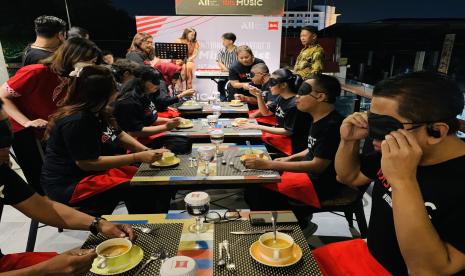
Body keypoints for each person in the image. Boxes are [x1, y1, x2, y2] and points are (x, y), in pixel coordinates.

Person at [313, 72, 465, 275]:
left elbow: (426, 271)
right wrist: (349, 140)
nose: (374, 133)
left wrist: (403, 181)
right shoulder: (394, 146)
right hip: (369, 255)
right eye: (372, 120)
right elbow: (348, 177)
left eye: (385, 126)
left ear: (436, 131)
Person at [0, 99, 136, 275]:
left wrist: (98, 224)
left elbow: (44, 208)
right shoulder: (77, 121)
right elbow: (87, 162)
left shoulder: (2, 172)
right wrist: (42, 271)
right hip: (67, 186)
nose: (6, 152)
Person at [41, 65, 172, 215]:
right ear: (101, 94)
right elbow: (87, 163)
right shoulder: (77, 121)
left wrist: (146, 151)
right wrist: (136, 156)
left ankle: (154, 220)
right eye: (114, 88)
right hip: (70, 184)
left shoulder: (97, 112)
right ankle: (145, 228)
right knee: (140, 187)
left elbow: (118, 134)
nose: (117, 91)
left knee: (150, 177)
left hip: (89, 173)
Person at [244, 75, 345, 228]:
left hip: (319, 183)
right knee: (254, 184)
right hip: (306, 174)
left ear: (321, 96)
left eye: (303, 92)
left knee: (258, 191)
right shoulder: (318, 118)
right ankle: (276, 225)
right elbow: (311, 148)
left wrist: (270, 165)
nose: (297, 96)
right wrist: (288, 159)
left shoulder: (333, 125)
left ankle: (294, 227)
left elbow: (318, 165)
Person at [114, 66, 192, 154]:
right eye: (154, 81)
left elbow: (152, 119)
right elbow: (135, 132)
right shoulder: (128, 102)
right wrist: (166, 127)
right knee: (181, 145)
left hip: (143, 138)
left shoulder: (144, 94)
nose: (158, 85)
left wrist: (172, 121)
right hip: (134, 143)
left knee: (185, 142)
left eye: (159, 81)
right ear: (142, 81)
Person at [240, 69, 311, 155]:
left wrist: (257, 126)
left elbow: (288, 131)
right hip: (281, 136)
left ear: (284, 85)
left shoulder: (294, 105)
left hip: (292, 144)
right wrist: (259, 96)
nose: (269, 86)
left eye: (272, 83)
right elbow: (266, 112)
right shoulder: (281, 97)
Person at [216, 32, 238, 101]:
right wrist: (226, 69)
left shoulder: (238, 50)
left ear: (231, 41)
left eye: (224, 40)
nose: (222, 42)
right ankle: (223, 100)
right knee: (220, 84)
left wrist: (233, 71)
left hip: (236, 73)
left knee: (234, 86)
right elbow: (219, 62)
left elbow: (240, 62)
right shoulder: (221, 50)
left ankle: (233, 99)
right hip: (225, 73)